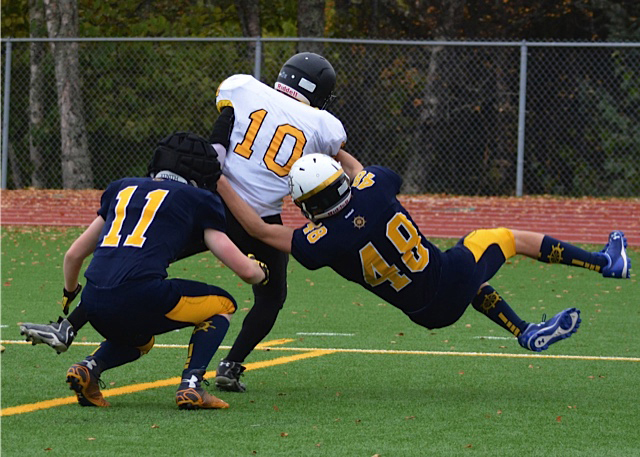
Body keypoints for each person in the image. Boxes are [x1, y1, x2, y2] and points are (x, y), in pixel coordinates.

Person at [21, 52, 362, 394]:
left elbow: (220, 140)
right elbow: (334, 159)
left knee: (136, 259)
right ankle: (231, 365)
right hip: (260, 218)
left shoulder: (244, 88)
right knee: (271, 297)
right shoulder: (324, 125)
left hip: (207, 203)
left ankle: (68, 326)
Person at [215, 153, 631, 353]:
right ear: (339, 181)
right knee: (505, 237)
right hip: (445, 277)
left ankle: (523, 330)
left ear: (307, 205)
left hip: (423, 313)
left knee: (467, 268)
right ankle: (606, 262)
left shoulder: (317, 241)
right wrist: (335, 140)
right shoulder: (373, 188)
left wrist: (218, 179)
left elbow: (256, 228)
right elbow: (363, 172)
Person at [21, 132, 268, 410]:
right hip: (142, 293)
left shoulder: (121, 188)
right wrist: (261, 272)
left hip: (92, 302)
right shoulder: (197, 198)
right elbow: (243, 269)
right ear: (201, 172)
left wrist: (70, 292)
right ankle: (191, 386)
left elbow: (73, 254)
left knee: (140, 340)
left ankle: (88, 367)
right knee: (224, 304)